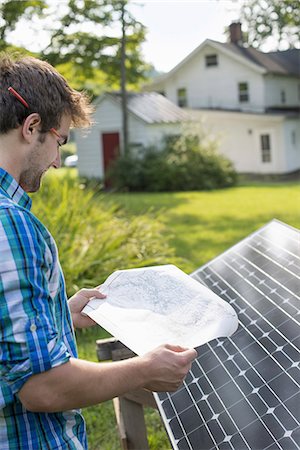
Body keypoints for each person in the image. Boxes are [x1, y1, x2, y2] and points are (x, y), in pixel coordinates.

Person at [0, 54, 197, 449]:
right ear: (32, 127)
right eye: (60, 142)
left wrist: (59, 315)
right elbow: (43, 388)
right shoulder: (12, 225)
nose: (58, 162)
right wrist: (143, 369)